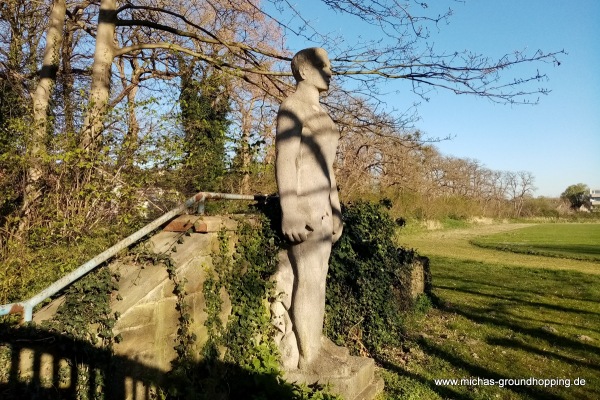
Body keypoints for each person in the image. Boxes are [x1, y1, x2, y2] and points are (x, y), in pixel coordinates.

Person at [273, 47, 344, 370]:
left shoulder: (323, 115)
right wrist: (289, 208)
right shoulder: (293, 108)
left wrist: (337, 207)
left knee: (320, 279)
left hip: (324, 209)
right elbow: (286, 160)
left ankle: (315, 344)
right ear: (304, 71)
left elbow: (327, 167)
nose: (330, 71)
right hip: (304, 207)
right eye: (323, 65)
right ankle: (309, 359)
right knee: (310, 278)